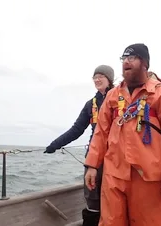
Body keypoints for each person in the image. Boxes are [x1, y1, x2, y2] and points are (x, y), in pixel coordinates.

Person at [84, 43, 161, 226]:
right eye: (124, 59)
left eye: (132, 58)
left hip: (148, 177)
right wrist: (91, 165)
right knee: (110, 222)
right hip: (113, 174)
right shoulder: (112, 96)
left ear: (144, 63)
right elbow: (100, 133)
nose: (126, 62)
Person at [44, 65, 115, 226]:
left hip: (116, 158)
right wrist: (55, 145)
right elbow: (76, 130)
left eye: (101, 76)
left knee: (114, 197)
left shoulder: (121, 99)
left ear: (110, 78)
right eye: (95, 76)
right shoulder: (91, 104)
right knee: (92, 199)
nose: (97, 79)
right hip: (94, 158)